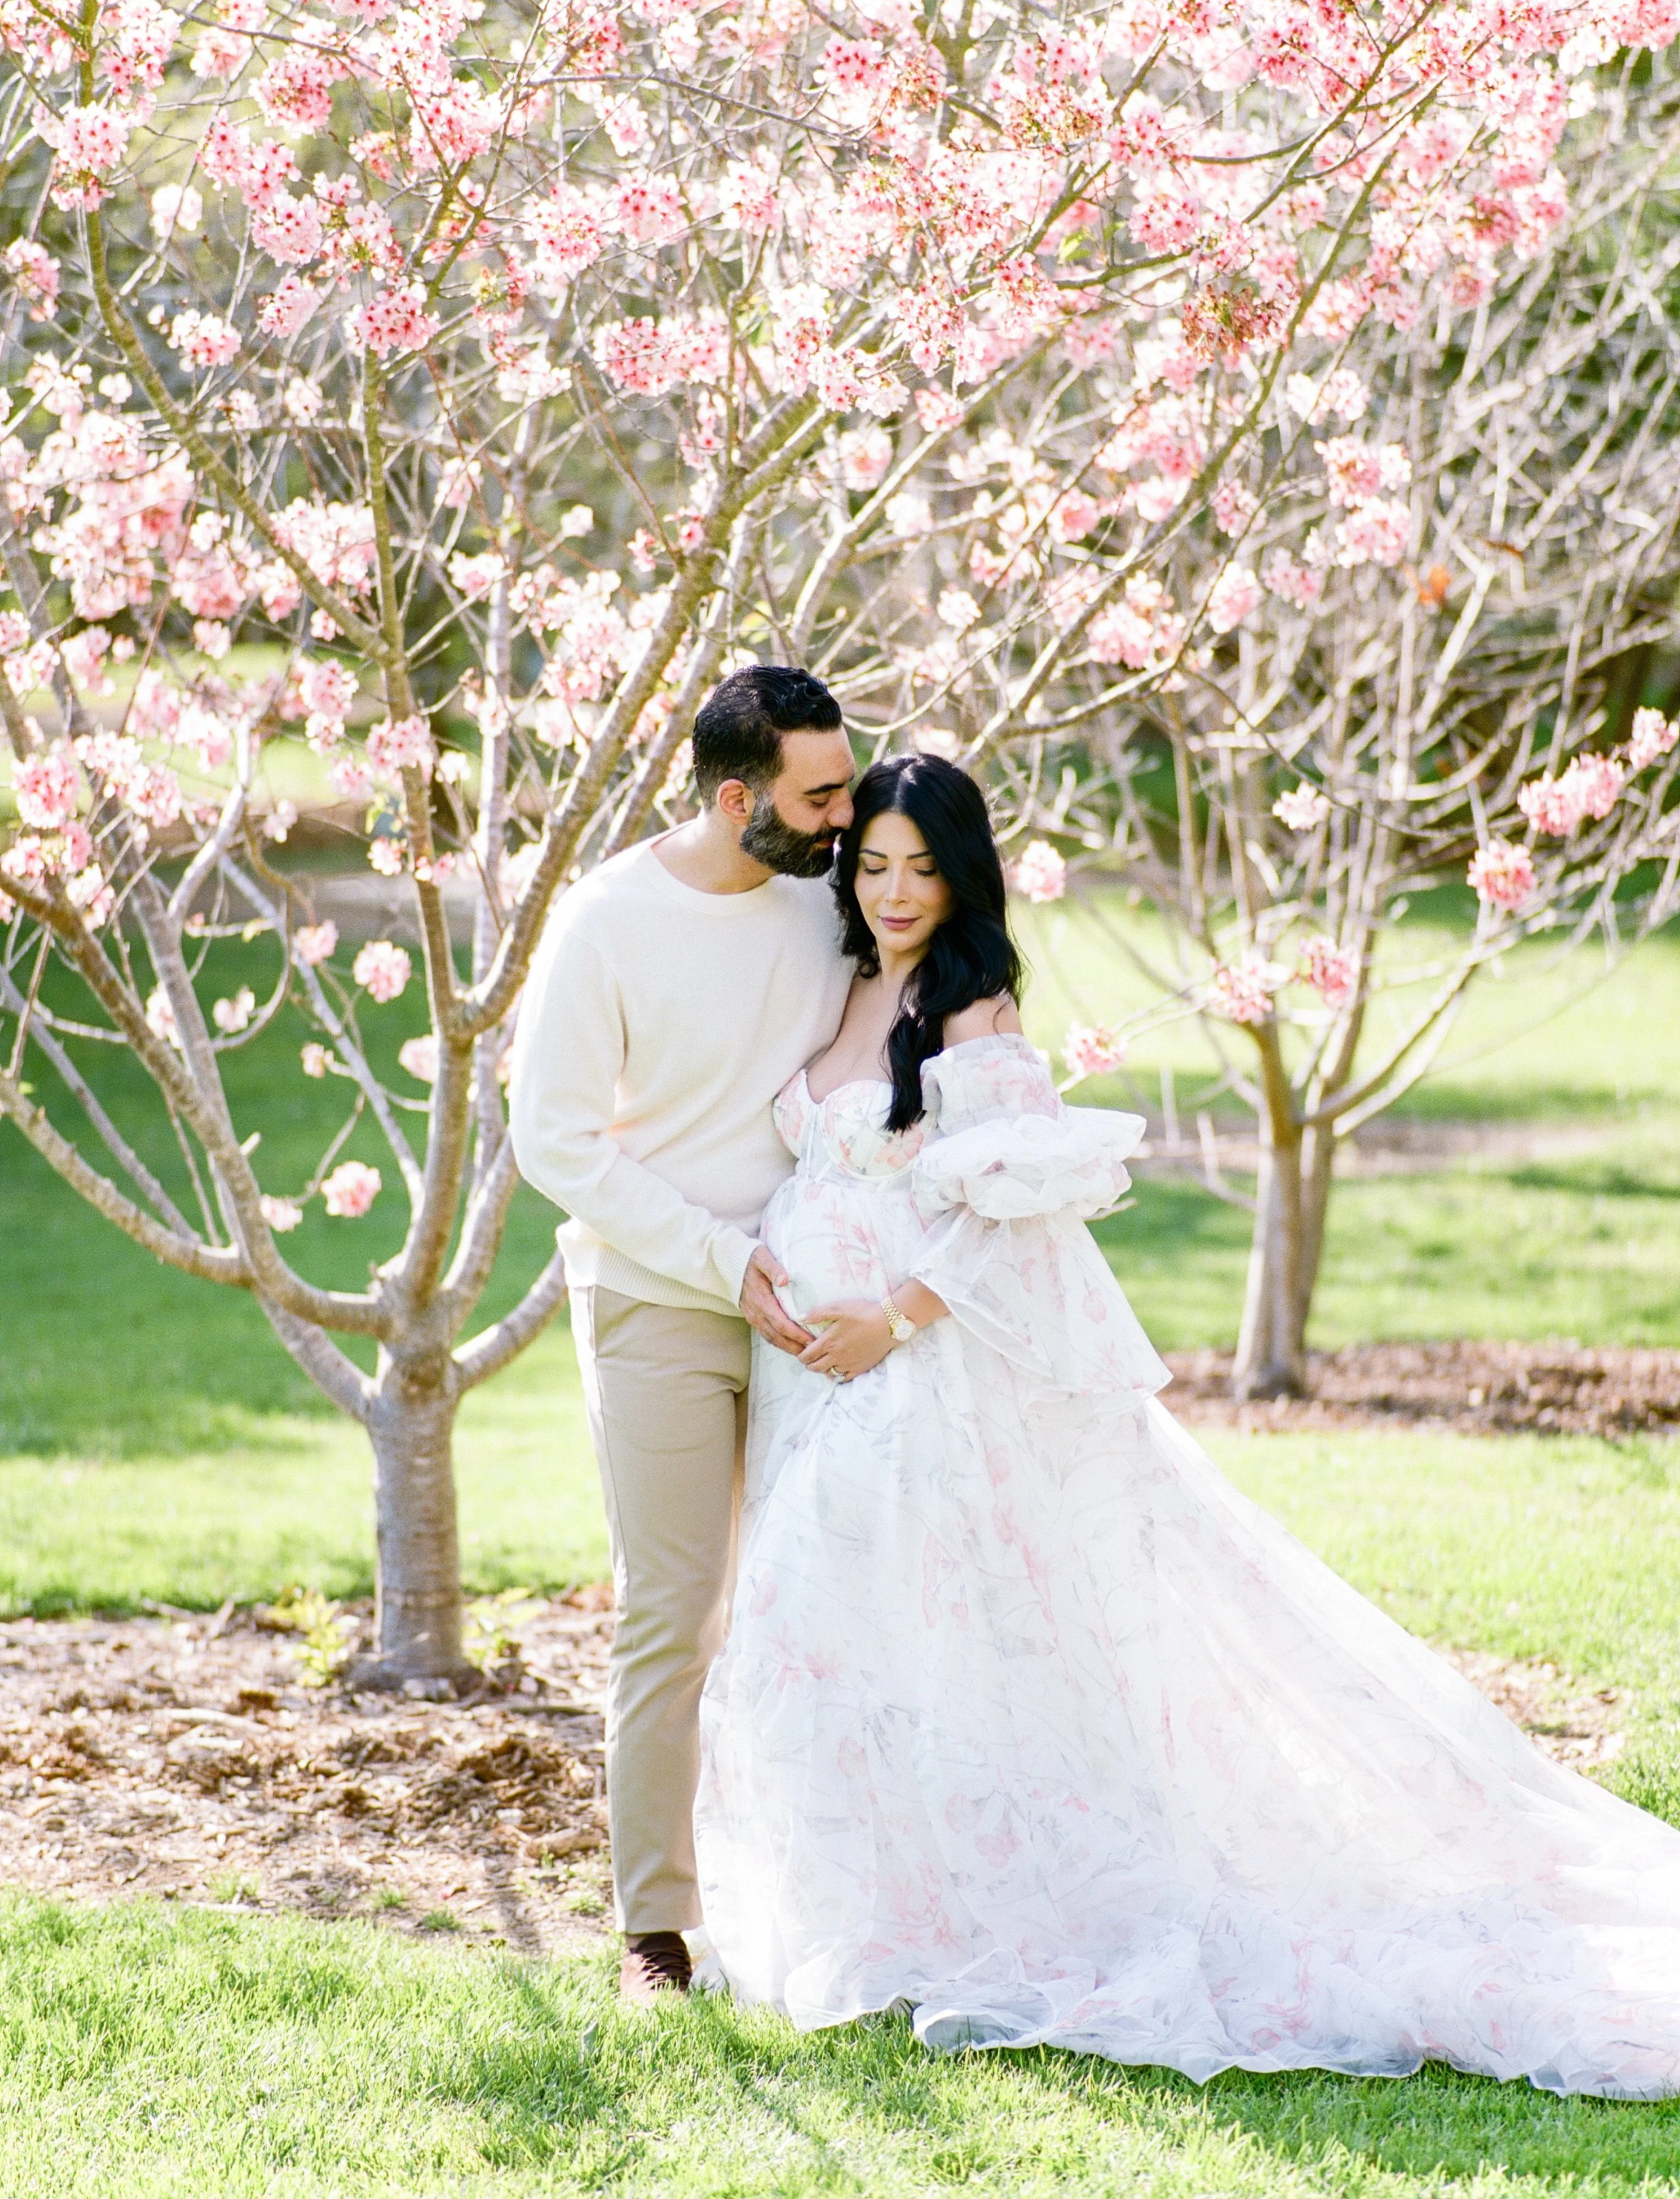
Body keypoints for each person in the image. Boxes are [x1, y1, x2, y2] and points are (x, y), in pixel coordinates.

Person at [693, 751, 1680, 2099]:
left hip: (919, 1386)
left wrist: (894, 1318)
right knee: (833, 1644)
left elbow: (1019, 1221)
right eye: (873, 863)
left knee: (931, 1637)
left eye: (922, 866)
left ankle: (988, 1914)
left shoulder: (969, 1009)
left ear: (961, 874)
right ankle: (871, 1910)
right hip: (814, 1384)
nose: (895, 889)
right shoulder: (839, 978)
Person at [508, 662, 855, 2002]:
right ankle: (654, 1925)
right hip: (658, 1289)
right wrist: (724, 1260)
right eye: (817, 791)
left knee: (813, 1599)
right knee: (675, 1609)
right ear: (734, 796)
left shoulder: (831, 904)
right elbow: (553, 1142)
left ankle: (823, 1891)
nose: (843, 812)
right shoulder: (609, 922)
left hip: (811, 1298)